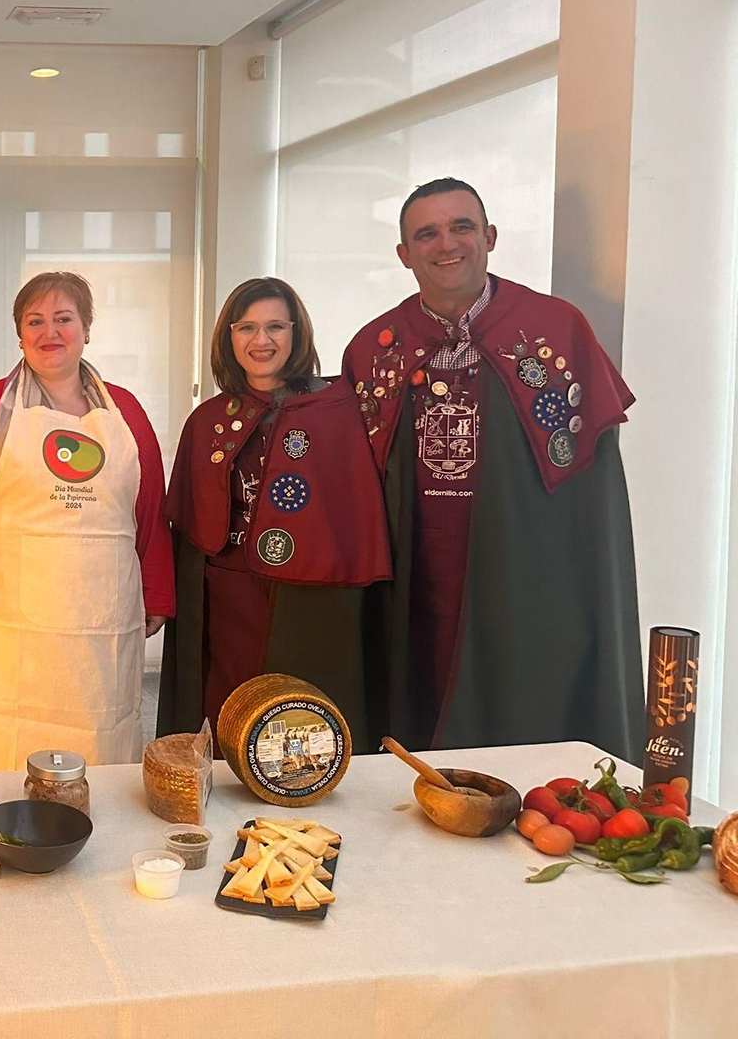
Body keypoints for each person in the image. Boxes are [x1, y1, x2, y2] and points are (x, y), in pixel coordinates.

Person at [343, 177, 643, 754]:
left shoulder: (556, 331)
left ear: (490, 236)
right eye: (426, 233)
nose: (445, 243)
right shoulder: (373, 349)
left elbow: (592, 499)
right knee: (415, 703)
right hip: (417, 568)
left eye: (461, 226)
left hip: (524, 569)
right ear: (405, 255)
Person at [0, 271, 174, 768]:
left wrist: (158, 593)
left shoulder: (126, 413)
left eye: (64, 319)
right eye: (35, 321)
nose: (49, 332)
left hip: (101, 625)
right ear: (19, 335)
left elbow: (150, 510)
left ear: (86, 328)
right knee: (3, 748)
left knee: (101, 742)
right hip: (6, 627)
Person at [158, 278, 389, 745]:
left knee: (299, 722)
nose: (260, 341)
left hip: (308, 593)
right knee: (228, 714)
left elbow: (351, 509)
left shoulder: (336, 412)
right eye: (246, 327)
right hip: (226, 594)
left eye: (275, 327)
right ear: (229, 337)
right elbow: (186, 523)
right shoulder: (208, 419)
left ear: (296, 333)